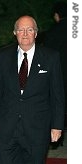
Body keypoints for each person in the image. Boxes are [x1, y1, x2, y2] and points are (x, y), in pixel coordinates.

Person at [0, 15, 65, 164]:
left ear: (36, 33)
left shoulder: (51, 57)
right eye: (21, 30)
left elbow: (57, 95)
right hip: (7, 127)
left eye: (29, 30)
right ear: (15, 33)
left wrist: (57, 125)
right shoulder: (3, 56)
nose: (25, 34)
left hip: (37, 128)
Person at [43, 1, 67, 129]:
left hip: (59, 74)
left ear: (57, 15)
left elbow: (46, 55)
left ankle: (58, 132)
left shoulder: (52, 32)